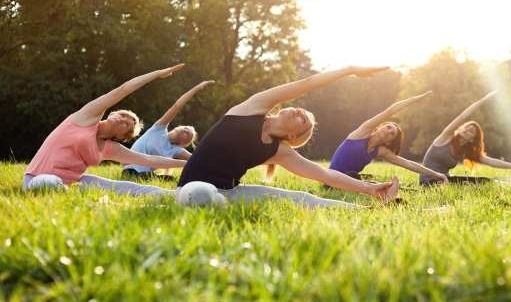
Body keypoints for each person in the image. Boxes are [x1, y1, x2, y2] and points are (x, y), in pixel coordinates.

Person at [177, 66, 399, 208]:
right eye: (301, 110)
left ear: (293, 135)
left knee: (304, 199)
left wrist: (369, 189)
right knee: (200, 194)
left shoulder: (279, 151)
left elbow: (325, 174)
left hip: (229, 193)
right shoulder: (252, 108)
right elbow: (305, 84)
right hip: (189, 188)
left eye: (303, 120)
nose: (299, 111)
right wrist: (348, 70)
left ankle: (369, 209)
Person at [23, 64, 187, 195]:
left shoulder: (111, 148)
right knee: (50, 183)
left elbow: (149, 160)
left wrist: (188, 163)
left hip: (71, 182)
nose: (123, 119)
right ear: (114, 112)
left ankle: (174, 195)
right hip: (37, 179)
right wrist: (157, 74)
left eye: (127, 125)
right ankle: (64, 193)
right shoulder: (87, 118)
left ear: (122, 136)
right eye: (123, 115)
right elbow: (122, 90)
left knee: (120, 186)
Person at [329, 91, 448, 183]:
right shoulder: (362, 132)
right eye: (388, 127)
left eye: (392, 134)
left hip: (349, 181)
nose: (388, 131)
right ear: (380, 126)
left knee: (369, 182)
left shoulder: (381, 151)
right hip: (330, 179)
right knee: (362, 180)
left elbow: (409, 164)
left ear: (389, 142)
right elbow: (389, 111)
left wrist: (437, 174)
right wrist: (414, 100)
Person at [419, 90, 511, 185]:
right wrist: (484, 100)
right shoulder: (445, 138)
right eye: (466, 127)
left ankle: (509, 184)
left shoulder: (465, 150)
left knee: (484, 181)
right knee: (474, 184)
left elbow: (491, 162)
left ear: (472, 139)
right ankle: (504, 184)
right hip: (429, 181)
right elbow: (463, 115)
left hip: (445, 180)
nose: (466, 130)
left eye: (471, 131)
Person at [122, 80, 214, 180]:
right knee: (166, 179)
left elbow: (197, 160)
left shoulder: (175, 150)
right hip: (130, 171)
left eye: (188, 136)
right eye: (185, 129)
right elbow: (177, 106)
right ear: (177, 127)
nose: (185, 133)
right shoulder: (158, 129)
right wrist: (196, 89)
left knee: (171, 179)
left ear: (184, 143)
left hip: (145, 175)